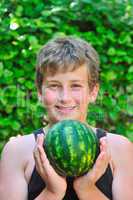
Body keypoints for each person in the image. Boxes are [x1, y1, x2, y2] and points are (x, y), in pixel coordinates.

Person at [0, 36, 133, 200]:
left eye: (75, 86)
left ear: (93, 92)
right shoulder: (17, 151)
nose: (65, 97)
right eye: (54, 86)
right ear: (40, 92)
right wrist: (52, 192)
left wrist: (87, 189)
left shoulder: (119, 149)